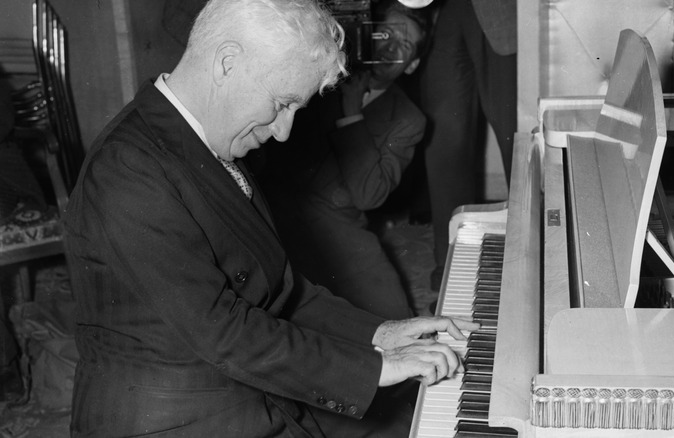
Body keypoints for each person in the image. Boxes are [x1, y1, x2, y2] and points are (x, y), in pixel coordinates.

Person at [62, 0, 477, 436]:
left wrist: (382, 333)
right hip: (170, 418)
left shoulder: (206, 140)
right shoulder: (129, 170)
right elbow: (224, 332)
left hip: (236, 387)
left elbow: (282, 292)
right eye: (282, 103)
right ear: (227, 62)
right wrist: (375, 367)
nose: (283, 130)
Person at [256, 1, 430, 321]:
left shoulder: (408, 119)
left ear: (412, 64)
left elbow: (369, 195)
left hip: (335, 222)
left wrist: (352, 115)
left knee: (393, 317)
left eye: (404, 44)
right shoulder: (321, 75)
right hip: (274, 204)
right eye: (384, 34)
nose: (390, 48)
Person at [418, 0, 517, 291]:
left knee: (517, 141)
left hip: (502, 12)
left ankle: (530, 271)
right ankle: (454, 270)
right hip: (434, 12)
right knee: (443, 142)